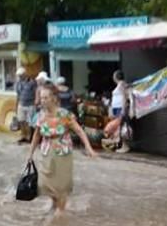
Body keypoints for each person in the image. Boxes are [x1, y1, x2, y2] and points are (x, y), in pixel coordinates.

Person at [27, 84, 97, 214]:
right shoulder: (40, 116)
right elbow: (36, 136)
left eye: (46, 98)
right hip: (46, 152)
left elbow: (79, 131)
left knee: (61, 186)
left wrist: (89, 148)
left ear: (53, 98)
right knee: (45, 184)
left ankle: (60, 212)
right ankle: (55, 204)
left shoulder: (64, 115)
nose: (43, 101)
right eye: (41, 98)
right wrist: (30, 153)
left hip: (63, 153)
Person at [103, 70, 130, 153]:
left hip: (120, 109)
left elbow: (125, 96)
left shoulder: (122, 84)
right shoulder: (120, 85)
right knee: (118, 127)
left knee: (120, 127)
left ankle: (124, 146)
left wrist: (123, 108)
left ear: (116, 77)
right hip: (117, 109)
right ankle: (120, 144)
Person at [15, 67, 37, 144]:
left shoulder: (32, 82)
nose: (19, 77)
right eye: (19, 76)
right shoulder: (18, 83)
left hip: (30, 105)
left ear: (25, 74)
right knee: (21, 121)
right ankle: (23, 136)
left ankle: (29, 137)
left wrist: (35, 103)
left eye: (21, 75)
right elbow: (18, 95)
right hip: (21, 104)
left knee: (29, 122)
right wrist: (16, 105)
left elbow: (36, 93)